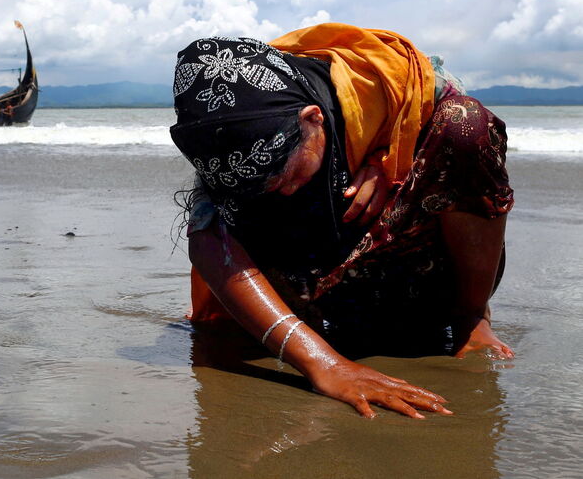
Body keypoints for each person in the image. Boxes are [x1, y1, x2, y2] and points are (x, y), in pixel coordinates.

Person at [170, 24, 514, 420]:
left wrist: (388, 157)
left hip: (415, 270)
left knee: (464, 124)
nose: (279, 192)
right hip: (315, 287)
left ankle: (471, 318)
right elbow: (209, 239)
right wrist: (324, 364)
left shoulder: (397, 82)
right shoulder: (229, 130)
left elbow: (455, 137)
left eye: (283, 175)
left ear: (313, 119)